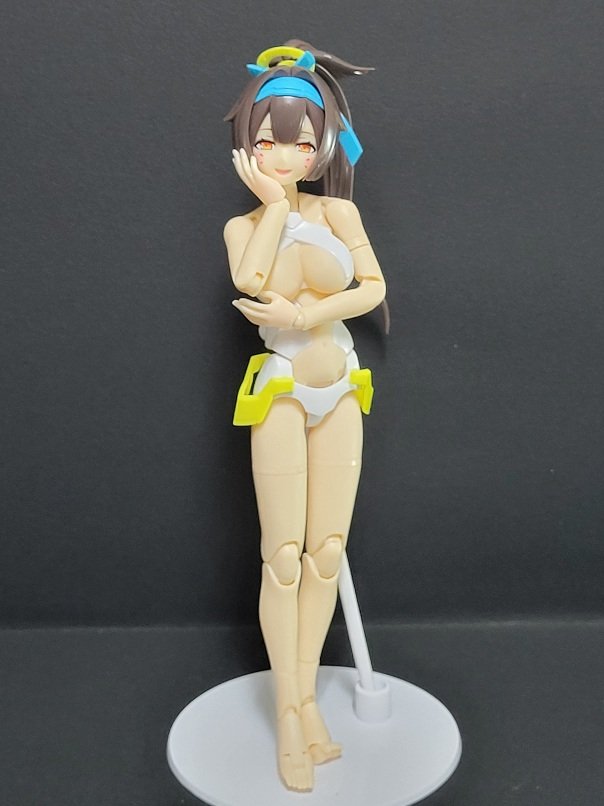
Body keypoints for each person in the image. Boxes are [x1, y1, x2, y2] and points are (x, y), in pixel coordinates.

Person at [223, 39, 386, 792]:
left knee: (326, 552)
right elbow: (251, 278)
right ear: (247, 145)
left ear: (320, 145)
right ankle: (288, 711)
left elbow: (372, 288)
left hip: (342, 386)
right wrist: (279, 209)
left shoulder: (341, 210)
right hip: (283, 388)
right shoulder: (245, 225)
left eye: (298, 141)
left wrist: (303, 312)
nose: (284, 155)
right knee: (283, 556)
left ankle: (310, 699)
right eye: (267, 141)